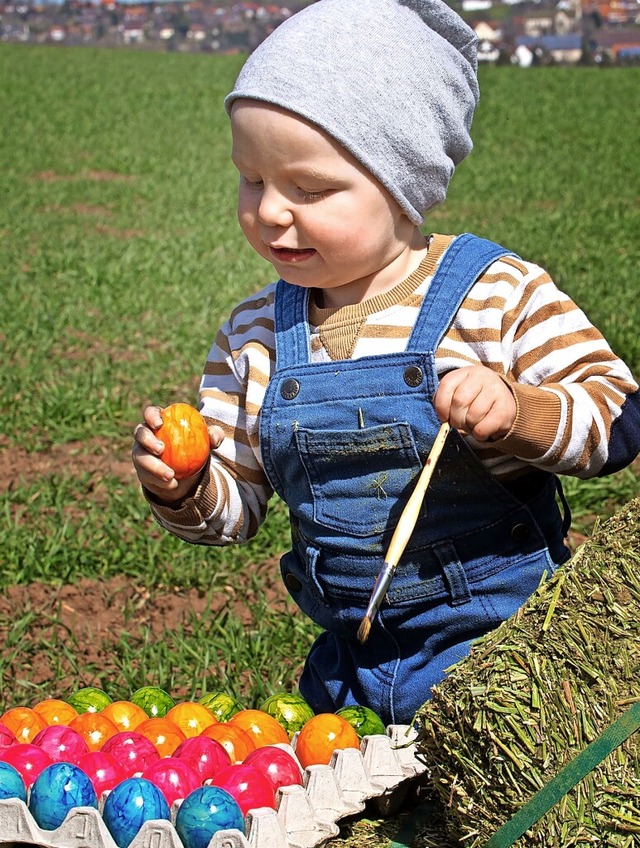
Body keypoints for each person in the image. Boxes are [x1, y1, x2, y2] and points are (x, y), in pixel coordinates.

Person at [132, 0, 640, 726]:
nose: (271, 210)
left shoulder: (492, 296)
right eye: (251, 179)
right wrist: (184, 485)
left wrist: (518, 412)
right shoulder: (255, 336)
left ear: (401, 184)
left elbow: (617, 416)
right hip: (348, 673)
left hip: (512, 662)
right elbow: (232, 514)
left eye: (308, 189)